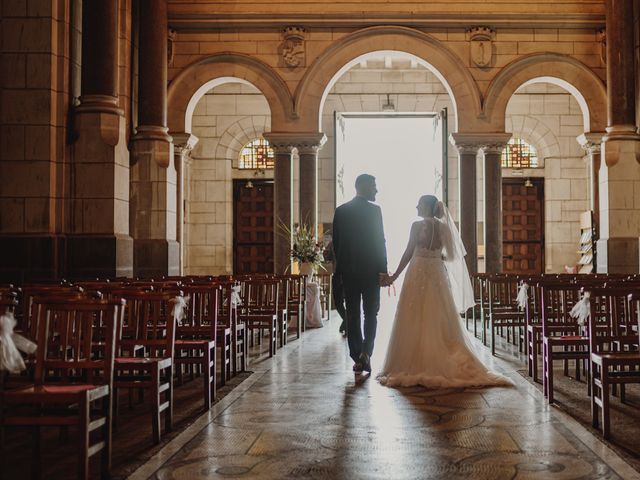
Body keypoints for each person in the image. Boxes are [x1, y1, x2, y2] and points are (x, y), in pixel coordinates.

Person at [377, 195, 513, 388]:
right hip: (436, 273)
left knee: (414, 314)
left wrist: (394, 276)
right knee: (439, 315)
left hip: (417, 271)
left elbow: (408, 253)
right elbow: (450, 256)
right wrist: (434, 256)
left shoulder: (417, 226)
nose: (416, 206)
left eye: (419, 204)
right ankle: (441, 355)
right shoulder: (444, 228)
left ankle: (416, 361)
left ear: (426, 207)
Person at [332, 174, 389, 373]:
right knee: (371, 313)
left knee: (353, 314)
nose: (376, 190)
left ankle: (357, 356)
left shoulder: (341, 211)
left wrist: (340, 269)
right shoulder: (375, 211)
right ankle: (367, 353)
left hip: (348, 271)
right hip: (371, 271)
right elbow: (379, 241)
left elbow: (336, 244)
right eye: (374, 186)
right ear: (363, 187)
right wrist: (383, 270)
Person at [323, 240, 347, 334]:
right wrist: (325, 253)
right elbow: (327, 257)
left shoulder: (350, 239)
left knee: (349, 302)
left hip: (348, 275)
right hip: (336, 275)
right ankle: (346, 321)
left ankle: (348, 323)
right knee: (337, 302)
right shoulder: (333, 242)